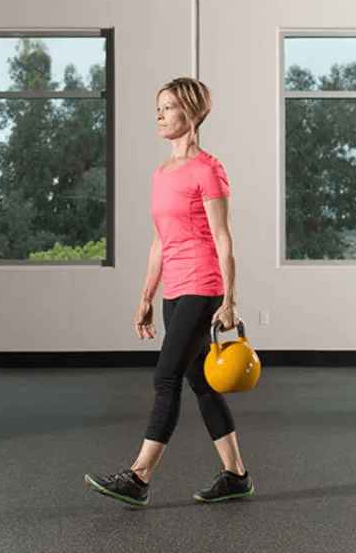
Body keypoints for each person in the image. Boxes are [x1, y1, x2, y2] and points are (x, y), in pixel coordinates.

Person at [85, 77, 253, 507]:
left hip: (203, 286)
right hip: (174, 291)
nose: (159, 114)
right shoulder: (162, 173)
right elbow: (161, 239)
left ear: (193, 114)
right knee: (201, 382)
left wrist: (230, 300)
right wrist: (145, 296)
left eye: (169, 107)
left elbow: (223, 237)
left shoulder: (208, 169)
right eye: (157, 107)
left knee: (166, 377)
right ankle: (236, 476)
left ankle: (139, 477)